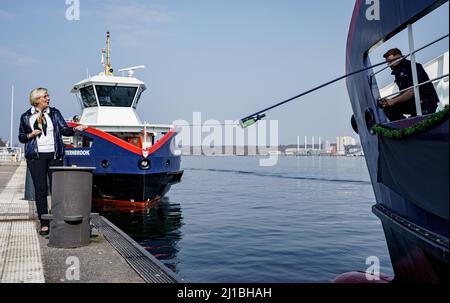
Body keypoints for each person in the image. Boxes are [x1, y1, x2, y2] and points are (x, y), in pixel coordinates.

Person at [18, 88, 88, 236]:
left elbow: (64, 130)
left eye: (48, 96)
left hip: (54, 155)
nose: (48, 98)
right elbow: (21, 137)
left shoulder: (54, 113)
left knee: (57, 189)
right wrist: (31, 134)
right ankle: (44, 223)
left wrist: (77, 129)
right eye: (45, 96)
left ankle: (57, 219)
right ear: (36, 100)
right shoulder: (26, 116)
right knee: (41, 190)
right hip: (36, 157)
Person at [379, 48, 440, 121]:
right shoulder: (398, 71)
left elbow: (412, 92)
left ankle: (410, 124)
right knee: (389, 108)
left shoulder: (412, 67)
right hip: (412, 101)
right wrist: (389, 101)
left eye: (390, 61)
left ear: (398, 56)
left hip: (425, 102)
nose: (389, 64)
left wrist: (393, 101)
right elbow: (404, 93)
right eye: (388, 62)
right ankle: (403, 126)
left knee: (393, 104)